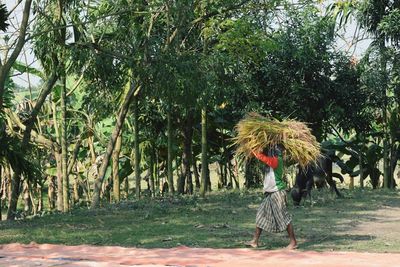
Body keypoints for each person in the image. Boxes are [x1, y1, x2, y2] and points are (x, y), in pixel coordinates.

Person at [246, 145, 297, 249]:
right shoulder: (270, 162)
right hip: (270, 194)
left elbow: (263, 158)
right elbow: (261, 158)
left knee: (283, 217)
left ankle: (293, 242)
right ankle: (255, 241)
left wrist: (255, 151)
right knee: (260, 214)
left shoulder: (277, 161)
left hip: (277, 193)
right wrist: (252, 150)